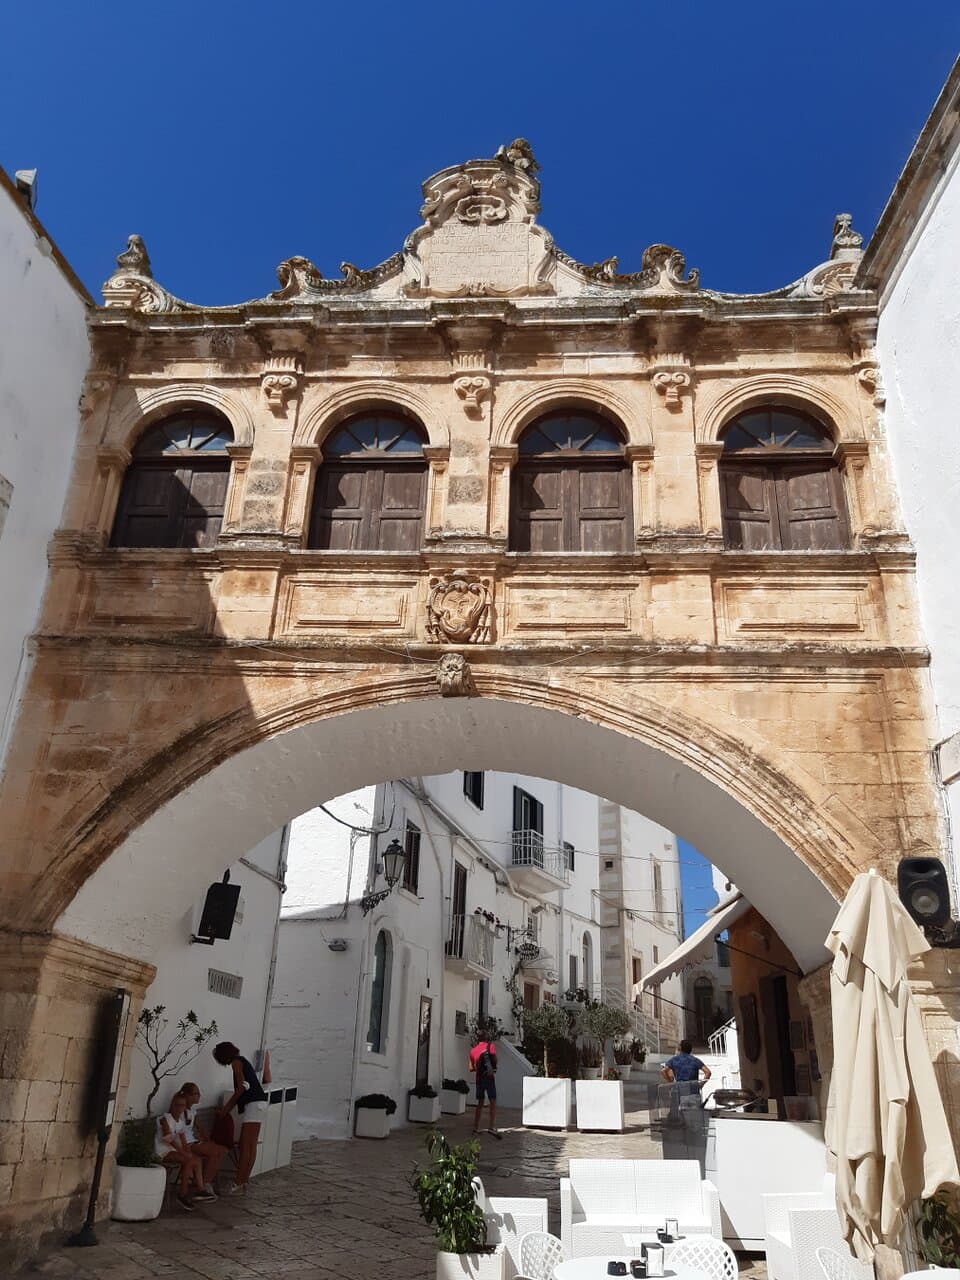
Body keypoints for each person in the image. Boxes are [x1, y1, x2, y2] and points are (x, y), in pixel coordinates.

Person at [212, 1042, 268, 1193]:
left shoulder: (236, 1063)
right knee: (251, 1146)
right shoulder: (243, 1060)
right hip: (260, 1102)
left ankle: (237, 1182)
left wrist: (226, 1110)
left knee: (245, 1146)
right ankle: (244, 1180)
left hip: (253, 1104)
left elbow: (241, 1088)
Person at [154, 1092, 210, 1210]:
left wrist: (187, 1151)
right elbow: (168, 1138)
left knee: (196, 1159)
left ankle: (200, 1189)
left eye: (182, 1105)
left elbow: (183, 1139)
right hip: (163, 1151)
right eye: (177, 1105)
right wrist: (183, 1152)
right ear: (172, 1105)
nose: (180, 1108)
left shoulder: (180, 1121)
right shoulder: (165, 1119)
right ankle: (182, 1194)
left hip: (174, 1150)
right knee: (188, 1159)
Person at [175, 1082, 228, 1198]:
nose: (199, 1096)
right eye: (196, 1094)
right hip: (187, 1143)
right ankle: (205, 1184)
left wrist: (208, 1140)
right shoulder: (180, 1110)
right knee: (214, 1152)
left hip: (193, 1140)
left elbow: (200, 1127)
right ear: (188, 1096)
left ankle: (204, 1179)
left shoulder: (192, 1111)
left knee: (222, 1150)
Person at [469, 1022, 502, 1139]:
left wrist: (478, 1067)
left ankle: (475, 1127)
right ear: (486, 1038)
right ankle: (491, 1126)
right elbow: (495, 1061)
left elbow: (471, 1068)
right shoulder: (490, 1047)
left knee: (480, 1104)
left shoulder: (473, 1051)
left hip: (479, 1079)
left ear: (477, 1038)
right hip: (489, 1078)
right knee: (493, 1101)